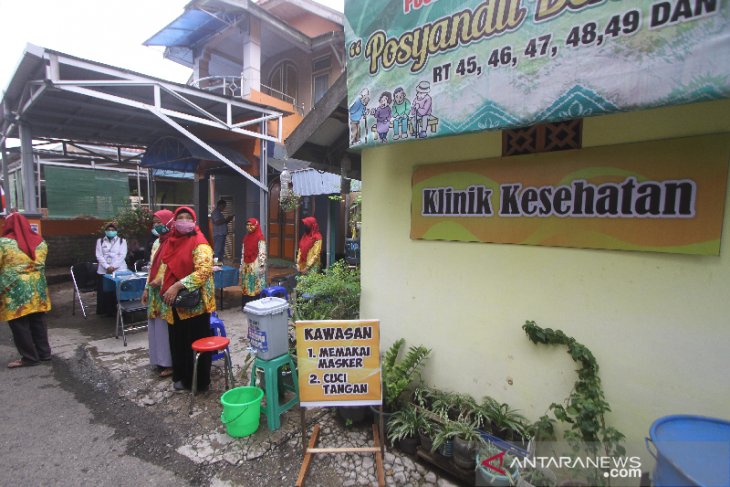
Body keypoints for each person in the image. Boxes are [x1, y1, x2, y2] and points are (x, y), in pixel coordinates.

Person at [159, 207, 215, 392]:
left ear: (195, 221)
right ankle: (181, 377)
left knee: (196, 343)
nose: (184, 221)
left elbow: (204, 271)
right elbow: (165, 268)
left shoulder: (200, 243)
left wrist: (177, 286)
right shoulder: (171, 242)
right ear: (174, 221)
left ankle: (199, 383)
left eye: (188, 218)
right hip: (174, 304)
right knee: (178, 343)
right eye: (180, 217)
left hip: (195, 305)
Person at [0, 212, 52, 368]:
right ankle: (44, 353)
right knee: (38, 320)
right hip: (38, 288)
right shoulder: (41, 243)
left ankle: (29, 357)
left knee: (19, 323)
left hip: (15, 290)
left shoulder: (4, 244)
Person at [141, 209, 174, 378]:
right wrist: (146, 288)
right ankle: (157, 359)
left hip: (166, 290)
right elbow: (152, 266)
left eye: (159, 222)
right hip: (154, 290)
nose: (156, 226)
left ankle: (168, 362)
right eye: (154, 223)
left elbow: (172, 267)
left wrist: (161, 280)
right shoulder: (157, 243)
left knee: (164, 327)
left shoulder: (174, 241)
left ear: (168, 222)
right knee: (154, 325)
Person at [95, 222, 128, 317]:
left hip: (119, 270)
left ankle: (121, 311)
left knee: (118, 290)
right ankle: (108, 311)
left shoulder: (122, 241)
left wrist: (113, 267)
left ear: (116, 231)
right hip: (104, 270)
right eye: (108, 230)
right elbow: (99, 255)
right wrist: (107, 267)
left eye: (113, 230)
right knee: (106, 291)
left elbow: (122, 255)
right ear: (105, 231)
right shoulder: (100, 241)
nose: (111, 231)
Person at [240, 218, 267, 308]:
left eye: (251, 225)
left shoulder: (260, 237)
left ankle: (256, 306)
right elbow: (243, 251)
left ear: (256, 225)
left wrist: (262, 265)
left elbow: (262, 252)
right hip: (246, 264)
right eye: (247, 225)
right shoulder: (246, 237)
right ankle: (247, 305)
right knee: (246, 284)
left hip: (255, 264)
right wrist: (241, 264)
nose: (249, 227)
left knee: (255, 284)